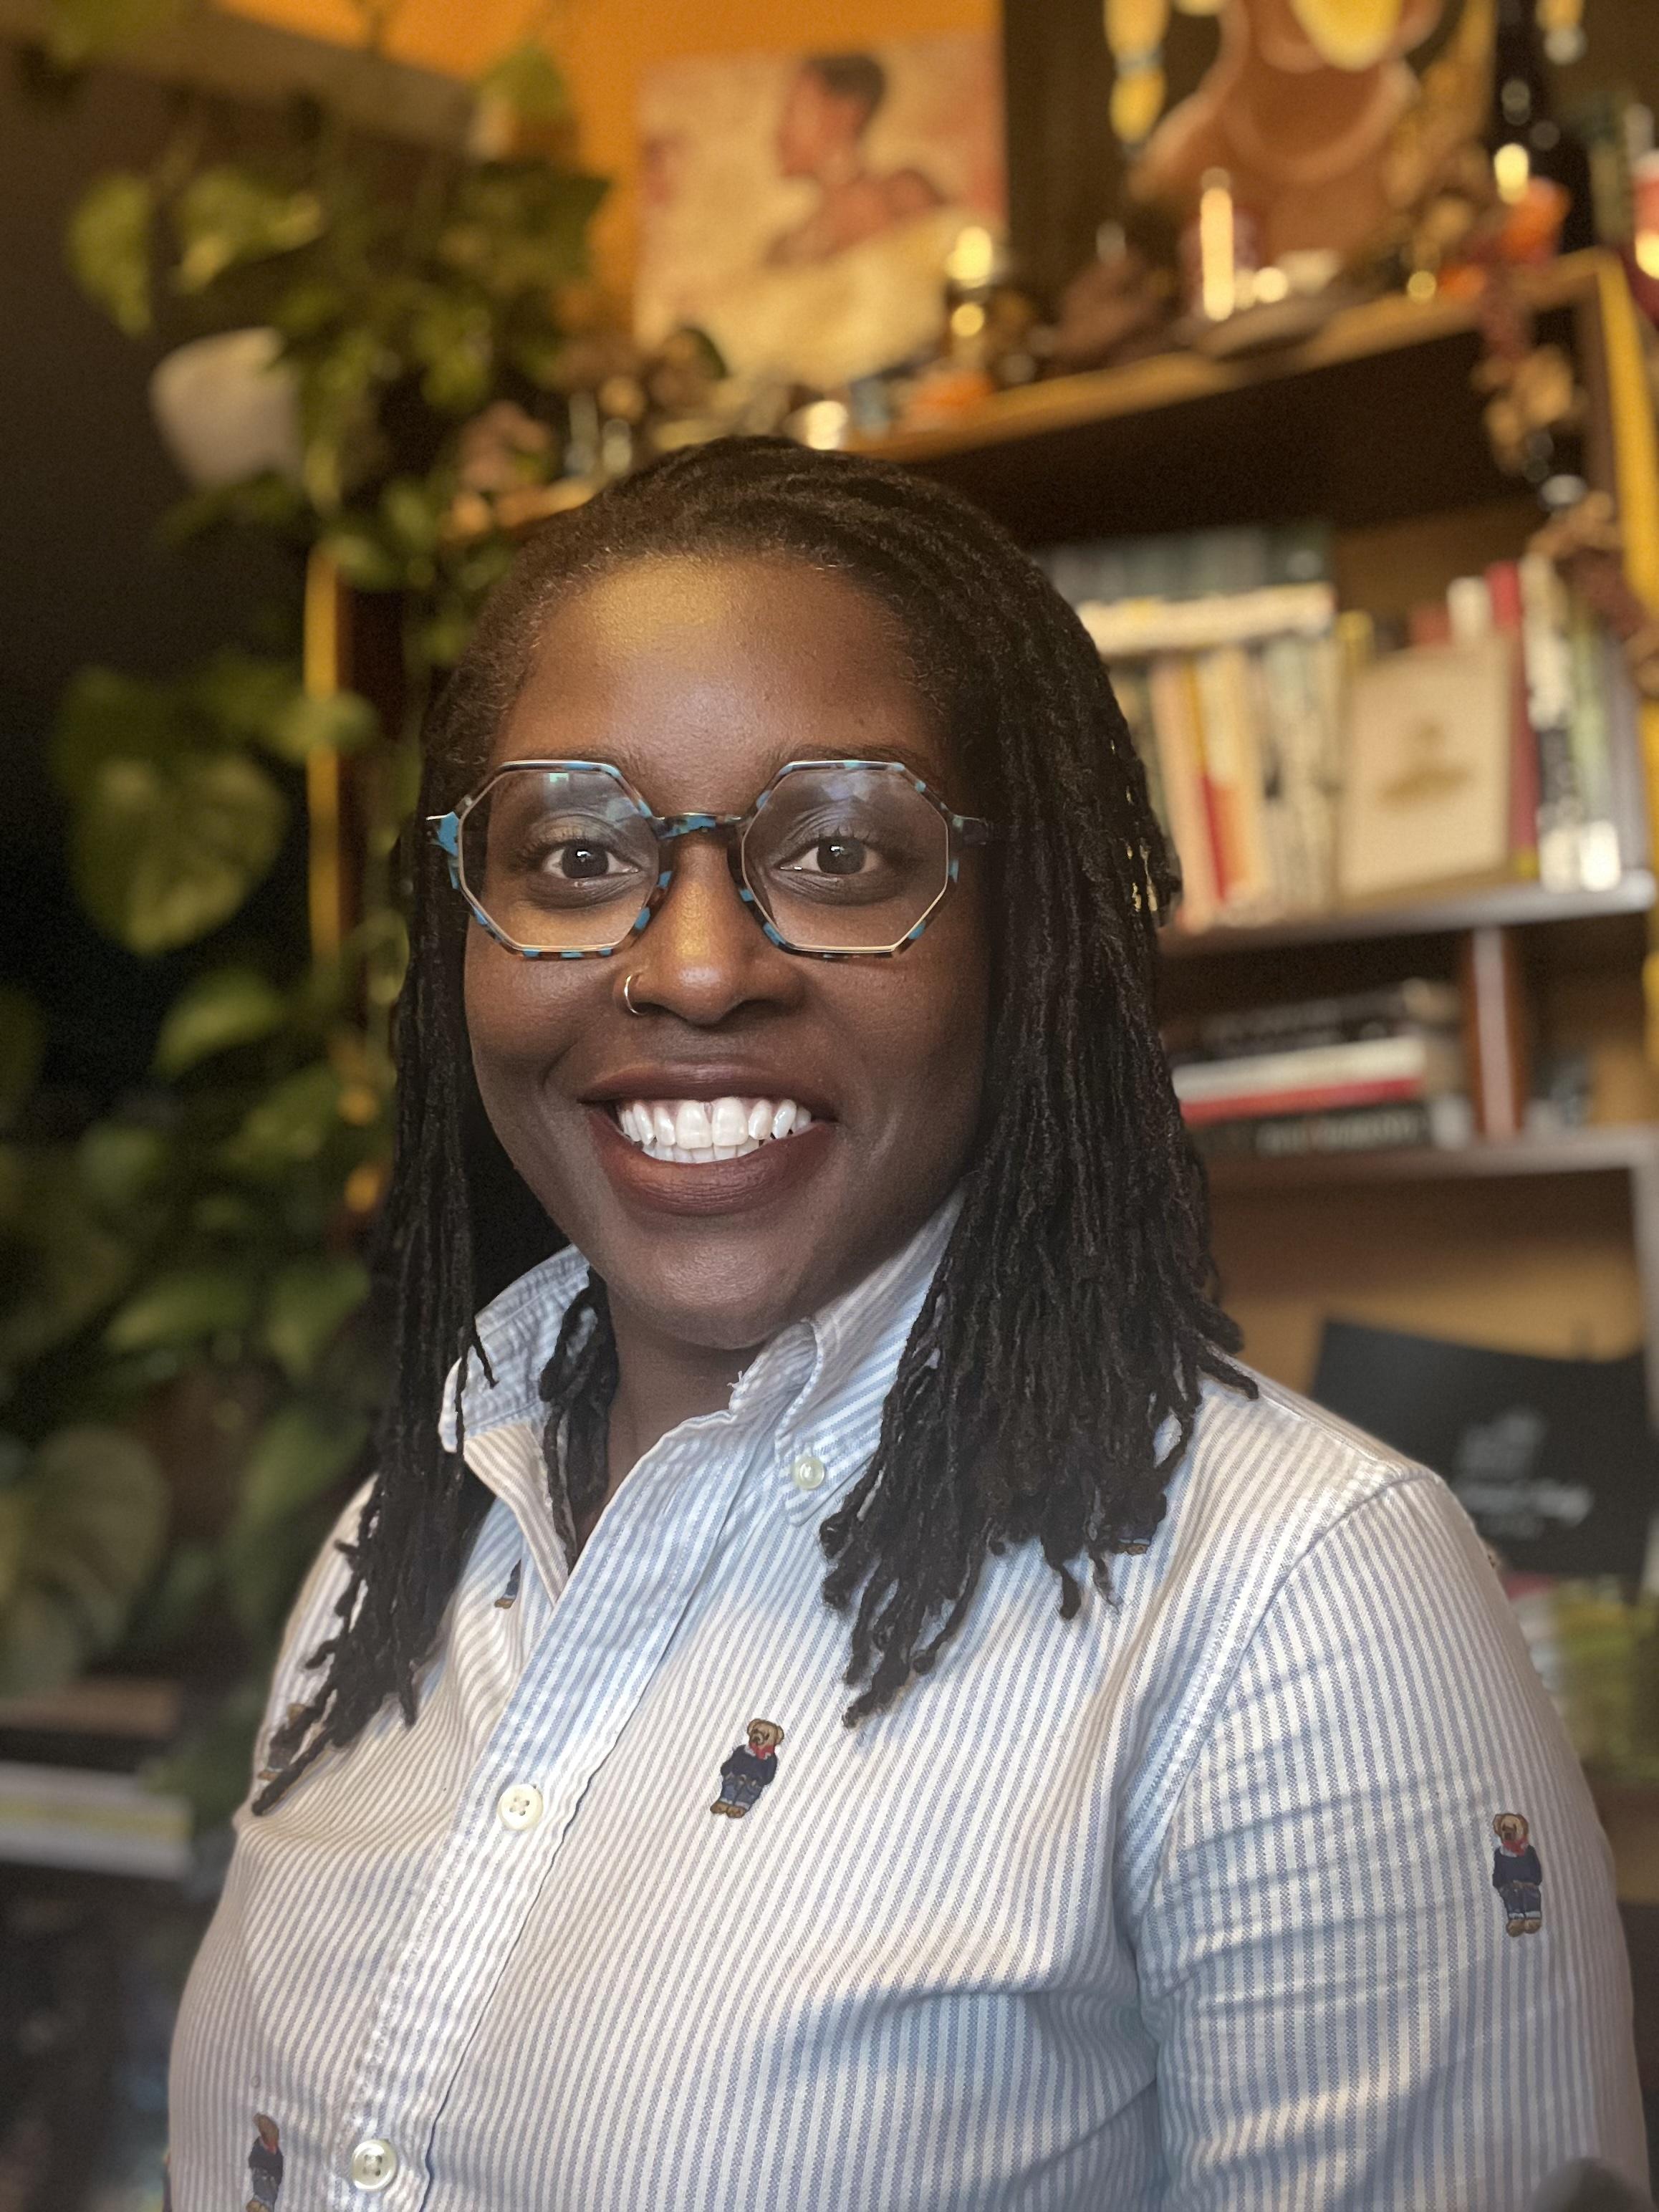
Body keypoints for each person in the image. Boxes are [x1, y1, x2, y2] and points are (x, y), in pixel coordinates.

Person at [168, 440, 1644, 2209]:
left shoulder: (1292, 1604)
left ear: (1016, 933)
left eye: (838, 851)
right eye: (574, 852)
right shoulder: (401, 1546)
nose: (693, 965)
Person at [766, 52, 945, 266]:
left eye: (792, 110)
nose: (780, 134)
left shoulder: (905, 197)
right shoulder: (788, 250)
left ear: (844, 115)